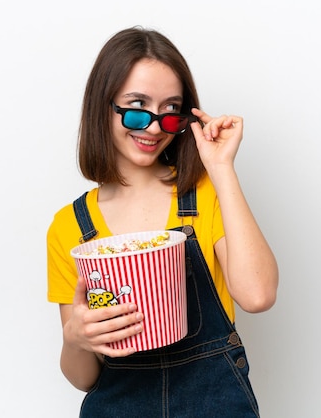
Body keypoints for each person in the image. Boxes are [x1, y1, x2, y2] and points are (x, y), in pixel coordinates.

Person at [47, 26, 279, 417]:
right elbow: (86, 378)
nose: (155, 127)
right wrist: (75, 339)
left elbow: (258, 295)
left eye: (171, 111)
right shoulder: (71, 226)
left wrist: (221, 169)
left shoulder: (205, 196)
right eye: (138, 107)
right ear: (102, 107)